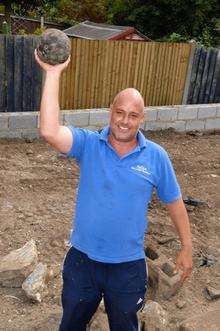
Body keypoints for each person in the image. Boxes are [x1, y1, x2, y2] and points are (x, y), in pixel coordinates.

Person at [35, 51, 193, 331]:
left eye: (133, 115)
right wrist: (53, 73)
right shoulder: (89, 144)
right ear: (111, 111)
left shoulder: (156, 156)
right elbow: (49, 131)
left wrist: (187, 247)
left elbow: (175, 202)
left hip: (127, 268)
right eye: (119, 113)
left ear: (142, 119)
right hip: (82, 262)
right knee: (71, 325)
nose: (124, 121)